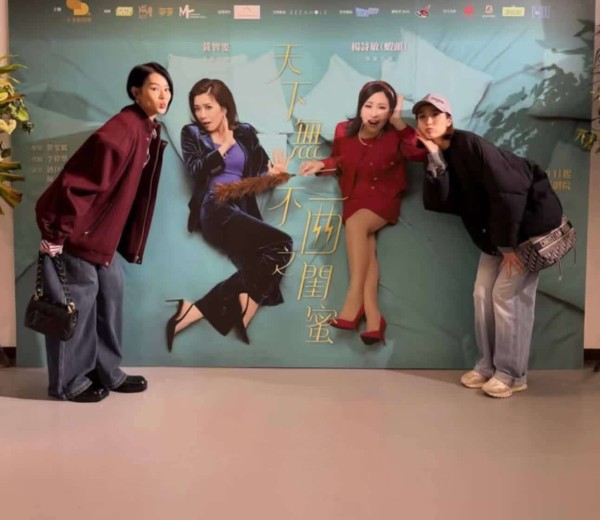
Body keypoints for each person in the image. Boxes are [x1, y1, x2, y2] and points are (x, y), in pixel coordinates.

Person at [35, 62, 173, 402]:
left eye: (168, 89)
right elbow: (78, 182)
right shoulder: (123, 129)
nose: (164, 95)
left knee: (111, 294)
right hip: (79, 232)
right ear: (136, 92)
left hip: (103, 237)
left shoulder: (146, 128)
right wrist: (56, 232)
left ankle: (104, 371)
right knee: (76, 303)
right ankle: (68, 383)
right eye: (155, 88)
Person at [412, 93, 564, 399]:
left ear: (449, 120)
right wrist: (435, 158)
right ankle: (488, 366)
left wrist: (508, 247)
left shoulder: (469, 144)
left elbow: (509, 192)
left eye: (435, 115)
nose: (428, 122)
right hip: (496, 236)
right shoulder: (442, 153)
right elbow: (440, 202)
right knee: (482, 294)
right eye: (422, 117)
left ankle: (511, 374)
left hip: (526, 229)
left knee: (507, 298)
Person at [166, 78, 292, 349]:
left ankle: (196, 311)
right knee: (283, 244)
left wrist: (273, 174)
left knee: (265, 264)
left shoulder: (245, 133)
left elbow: (259, 171)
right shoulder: (192, 133)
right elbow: (195, 170)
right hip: (214, 206)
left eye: (208, 107)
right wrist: (222, 149)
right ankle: (225, 308)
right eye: (197, 108)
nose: (201, 115)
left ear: (224, 108)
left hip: (240, 208)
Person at [300, 81, 423, 345]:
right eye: (369, 106)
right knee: (367, 248)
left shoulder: (396, 134)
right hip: (354, 197)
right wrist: (320, 164)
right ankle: (374, 319)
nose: (374, 113)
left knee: (356, 225)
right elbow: (338, 160)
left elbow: (417, 153)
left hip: (383, 198)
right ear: (360, 107)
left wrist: (399, 122)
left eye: (382, 107)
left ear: (390, 111)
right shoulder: (344, 130)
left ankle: (353, 298)